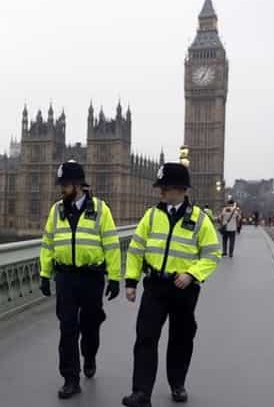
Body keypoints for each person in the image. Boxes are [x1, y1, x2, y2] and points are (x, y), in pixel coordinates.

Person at [121, 162, 221, 407]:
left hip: (184, 288)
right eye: (161, 188)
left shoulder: (200, 219)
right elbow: (136, 249)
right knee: (145, 338)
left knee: (181, 338)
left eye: (165, 188)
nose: (161, 192)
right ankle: (141, 393)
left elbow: (212, 255)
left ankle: (177, 383)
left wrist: (192, 274)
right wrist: (131, 281)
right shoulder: (151, 215)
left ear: (181, 189)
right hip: (155, 285)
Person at [39, 160, 122, 399]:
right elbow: (48, 243)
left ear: (78, 185)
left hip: (91, 277)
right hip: (65, 276)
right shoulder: (57, 210)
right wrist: (45, 274)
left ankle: (90, 355)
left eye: (65, 185)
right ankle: (70, 379)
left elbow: (111, 244)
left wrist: (114, 277)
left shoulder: (101, 209)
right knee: (67, 328)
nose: (61, 189)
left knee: (90, 325)